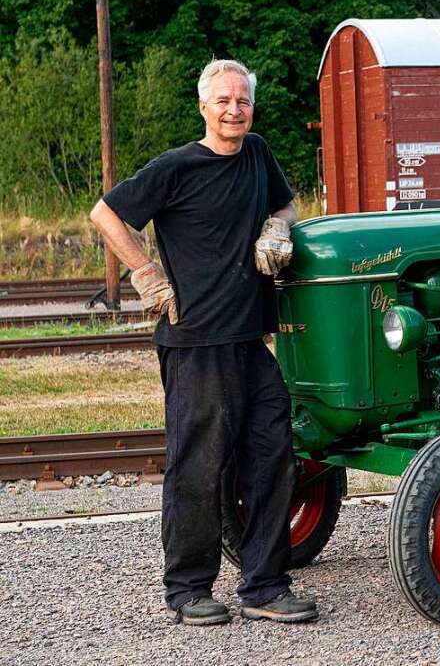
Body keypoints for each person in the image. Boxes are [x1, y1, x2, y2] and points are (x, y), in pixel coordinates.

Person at [90, 59, 317, 625]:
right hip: (194, 340)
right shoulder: (176, 168)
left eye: (242, 101)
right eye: (223, 101)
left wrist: (278, 226)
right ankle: (189, 589)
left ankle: (264, 585)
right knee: (198, 465)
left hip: (248, 338)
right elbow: (106, 214)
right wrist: (145, 273)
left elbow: (284, 202)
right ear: (204, 107)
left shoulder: (259, 153)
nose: (233, 110)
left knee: (272, 456)